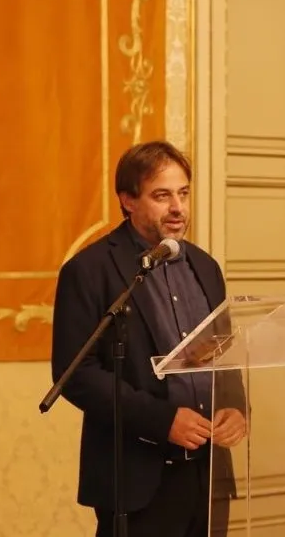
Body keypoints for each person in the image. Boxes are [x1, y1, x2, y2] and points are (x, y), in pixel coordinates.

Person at [51, 140, 247, 537]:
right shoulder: (89, 270)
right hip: (139, 480)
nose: (178, 207)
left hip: (207, 475)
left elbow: (221, 351)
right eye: (162, 196)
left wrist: (235, 407)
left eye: (183, 194)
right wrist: (163, 420)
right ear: (128, 200)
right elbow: (77, 374)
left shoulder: (206, 267)